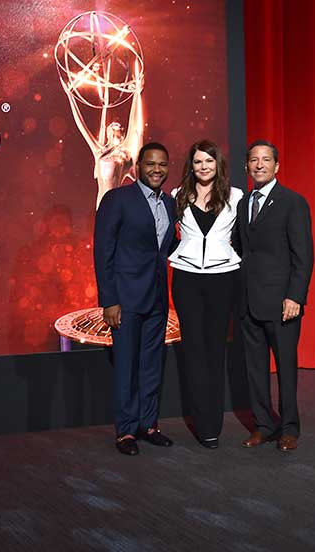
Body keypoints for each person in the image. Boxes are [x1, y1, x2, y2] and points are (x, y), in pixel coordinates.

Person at [94, 142, 178, 456]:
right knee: (126, 365)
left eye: (163, 164)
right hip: (125, 300)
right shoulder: (117, 199)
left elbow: (167, 248)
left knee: (152, 365)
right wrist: (109, 300)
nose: (157, 170)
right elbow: (103, 252)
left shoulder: (169, 204)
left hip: (157, 298)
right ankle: (126, 431)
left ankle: (148, 424)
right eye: (151, 164)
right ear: (138, 167)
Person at [234, 140, 313, 452]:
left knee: (286, 368)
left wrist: (295, 296)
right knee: (254, 369)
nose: (259, 165)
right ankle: (264, 426)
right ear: (247, 166)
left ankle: (289, 428)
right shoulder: (243, 204)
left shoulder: (292, 202)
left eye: (266, 160)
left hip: (282, 304)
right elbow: (241, 250)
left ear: (277, 166)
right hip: (248, 302)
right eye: (254, 160)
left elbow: (303, 255)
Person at [169, 140, 243, 449]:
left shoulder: (237, 197)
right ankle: (203, 424)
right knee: (194, 352)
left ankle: (214, 422)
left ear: (218, 164)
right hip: (186, 279)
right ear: (191, 165)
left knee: (215, 351)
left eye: (209, 162)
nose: (203, 167)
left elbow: (246, 240)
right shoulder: (176, 196)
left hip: (222, 279)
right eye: (198, 162)